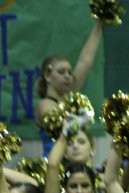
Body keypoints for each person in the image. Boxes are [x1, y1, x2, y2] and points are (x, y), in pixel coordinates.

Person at [34, 19, 103, 156]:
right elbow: (61, 125)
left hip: (74, 162)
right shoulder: (45, 104)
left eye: (70, 72)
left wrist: (98, 25)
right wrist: (81, 120)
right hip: (53, 168)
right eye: (61, 72)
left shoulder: (68, 98)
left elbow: (85, 62)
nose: (67, 76)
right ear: (47, 76)